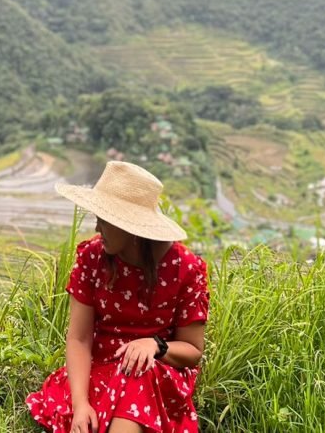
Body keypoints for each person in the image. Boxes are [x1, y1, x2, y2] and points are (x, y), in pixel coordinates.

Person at [27, 161, 209, 433]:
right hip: (99, 368)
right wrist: (80, 405)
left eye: (105, 219)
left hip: (155, 372)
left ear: (132, 228)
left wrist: (156, 346)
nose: (98, 227)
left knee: (139, 373)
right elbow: (79, 337)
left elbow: (192, 352)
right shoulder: (91, 257)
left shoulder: (186, 269)